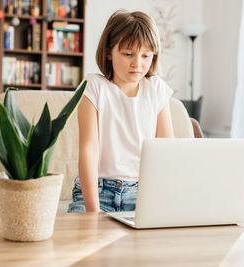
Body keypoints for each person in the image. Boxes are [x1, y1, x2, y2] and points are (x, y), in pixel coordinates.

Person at [68, 9, 174, 213]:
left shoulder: (157, 89)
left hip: (143, 193)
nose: (138, 64)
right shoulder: (93, 86)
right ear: (108, 52)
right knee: (83, 241)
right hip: (98, 191)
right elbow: (89, 150)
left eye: (146, 55)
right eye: (128, 54)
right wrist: (93, 211)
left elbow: (166, 152)